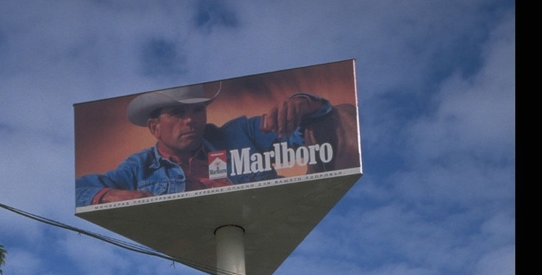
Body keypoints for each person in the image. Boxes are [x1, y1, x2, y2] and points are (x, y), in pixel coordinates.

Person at [76, 82, 358, 207]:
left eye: (197, 111)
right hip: (197, 249)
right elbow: (78, 190)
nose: (191, 121)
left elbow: (308, 133)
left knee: (343, 115)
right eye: (178, 114)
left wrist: (303, 104)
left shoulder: (239, 134)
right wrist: (111, 196)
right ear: (154, 127)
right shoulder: (140, 168)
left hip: (266, 221)